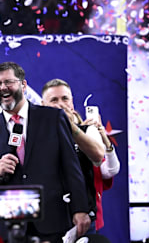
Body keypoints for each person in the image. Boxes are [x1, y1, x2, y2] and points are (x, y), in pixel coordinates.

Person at [0, 62, 92, 242]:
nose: (3, 88)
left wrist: (80, 209)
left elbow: (71, 167)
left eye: (9, 82)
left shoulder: (52, 118)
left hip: (51, 220)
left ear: (24, 85)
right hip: (7, 225)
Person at [40, 79, 103, 232]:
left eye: (65, 99)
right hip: (48, 217)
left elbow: (98, 156)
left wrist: (71, 127)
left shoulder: (88, 130)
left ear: (72, 104)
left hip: (82, 217)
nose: (60, 104)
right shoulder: (35, 134)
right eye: (54, 100)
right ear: (43, 106)